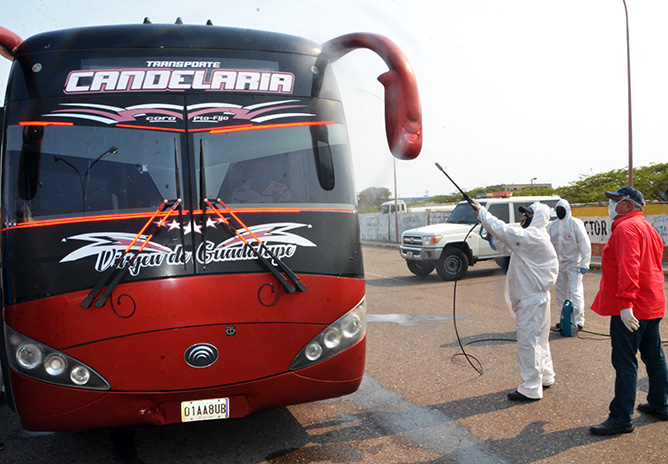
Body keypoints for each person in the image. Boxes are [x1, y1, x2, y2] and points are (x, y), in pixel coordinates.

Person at [589, 186, 668, 435]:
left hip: (633, 307)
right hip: (651, 303)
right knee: (654, 356)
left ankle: (621, 417)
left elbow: (629, 267)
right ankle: (660, 403)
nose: (611, 205)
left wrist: (625, 304)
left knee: (625, 362)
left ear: (628, 205)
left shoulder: (625, 227)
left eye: (615, 201)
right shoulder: (646, 226)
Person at [472, 199, 559, 401]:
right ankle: (545, 376)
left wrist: (482, 213)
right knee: (540, 339)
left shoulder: (534, 237)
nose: (524, 217)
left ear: (536, 218)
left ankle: (530, 387)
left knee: (529, 341)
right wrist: (491, 235)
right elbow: (507, 243)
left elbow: (506, 232)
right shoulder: (531, 238)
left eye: (528, 214)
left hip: (532, 300)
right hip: (534, 299)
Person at [547, 199, 591, 329]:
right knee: (561, 293)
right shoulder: (552, 226)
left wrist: (585, 263)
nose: (560, 211)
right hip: (559, 265)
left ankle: (578, 321)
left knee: (575, 292)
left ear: (567, 209)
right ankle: (564, 320)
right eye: (558, 209)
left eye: (562, 209)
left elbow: (584, 243)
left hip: (574, 264)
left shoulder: (575, 224)